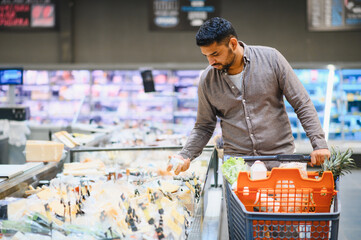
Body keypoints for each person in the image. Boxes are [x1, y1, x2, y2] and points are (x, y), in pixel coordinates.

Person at [167, 17, 330, 175]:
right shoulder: (207, 80)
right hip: (238, 168)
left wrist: (319, 144)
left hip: (280, 162)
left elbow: (301, 103)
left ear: (232, 43)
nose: (211, 61)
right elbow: (204, 126)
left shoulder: (271, 59)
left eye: (215, 54)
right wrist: (185, 155)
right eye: (206, 56)